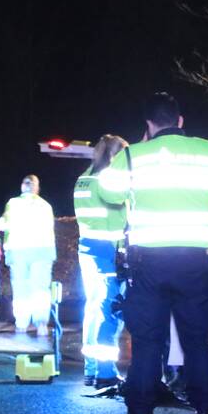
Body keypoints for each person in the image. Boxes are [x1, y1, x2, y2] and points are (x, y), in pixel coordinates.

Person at [98, 92, 208, 414]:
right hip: (196, 262)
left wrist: (134, 154)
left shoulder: (134, 156)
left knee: (148, 342)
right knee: (197, 343)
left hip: (148, 264)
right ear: (180, 121)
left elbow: (107, 192)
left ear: (148, 125)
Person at [74, 135, 128, 387]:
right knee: (110, 308)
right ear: (115, 156)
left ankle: (92, 368)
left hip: (87, 248)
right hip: (108, 250)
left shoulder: (84, 178)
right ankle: (105, 372)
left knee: (93, 306)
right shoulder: (108, 181)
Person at [0, 175, 56, 335]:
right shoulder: (45, 205)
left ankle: (21, 323)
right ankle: (41, 324)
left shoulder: (13, 203)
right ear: (37, 188)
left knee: (21, 288)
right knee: (40, 289)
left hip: (19, 251)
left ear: (23, 186)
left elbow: (5, 224)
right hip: (41, 252)